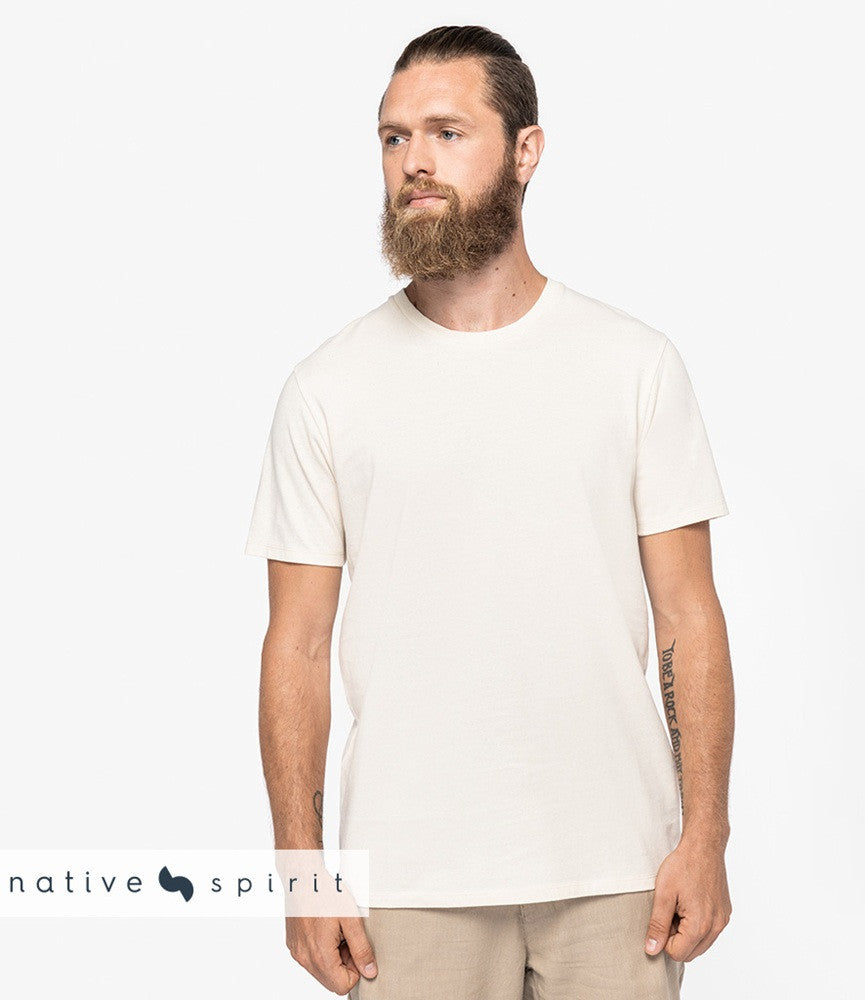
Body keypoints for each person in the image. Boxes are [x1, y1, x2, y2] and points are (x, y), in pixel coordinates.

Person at [244, 23, 734, 1000]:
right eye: (393, 138)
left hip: (617, 873)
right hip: (406, 882)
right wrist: (301, 873)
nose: (413, 162)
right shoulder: (326, 388)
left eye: (446, 132)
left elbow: (687, 614)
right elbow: (296, 644)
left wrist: (706, 834)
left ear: (524, 150)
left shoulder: (633, 365)